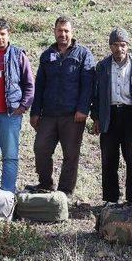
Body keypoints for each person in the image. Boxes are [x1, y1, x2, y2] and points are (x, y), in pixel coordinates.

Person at [29, 16, 95, 196]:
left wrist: (83, 109)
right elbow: (40, 85)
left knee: (71, 155)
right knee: (40, 148)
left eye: (66, 31)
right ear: (54, 31)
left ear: (72, 33)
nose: (63, 34)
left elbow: (88, 84)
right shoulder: (46, 55)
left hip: (72, 115)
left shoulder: (83, 54)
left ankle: (65, 191)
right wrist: (35, 112)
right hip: (48, 115)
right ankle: (45, 184)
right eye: (60, 30)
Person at [90, 27, 132, 204]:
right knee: (109, 159)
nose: (119, 49)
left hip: (131, 116)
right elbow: (96, 94)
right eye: (115, 45)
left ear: (127, 46)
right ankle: (110, 199)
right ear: (110, 46)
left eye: (122, 45)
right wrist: (96, 117)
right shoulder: (103, 66)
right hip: (110, 115)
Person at [0, 18, 34, 193]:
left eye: (3, 34)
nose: (0, 38)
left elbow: (30, 85)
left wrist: (22, 107)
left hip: (10, 115)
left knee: (10, 157)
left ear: (8, 34)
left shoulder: (18, 55)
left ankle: (8, 194)